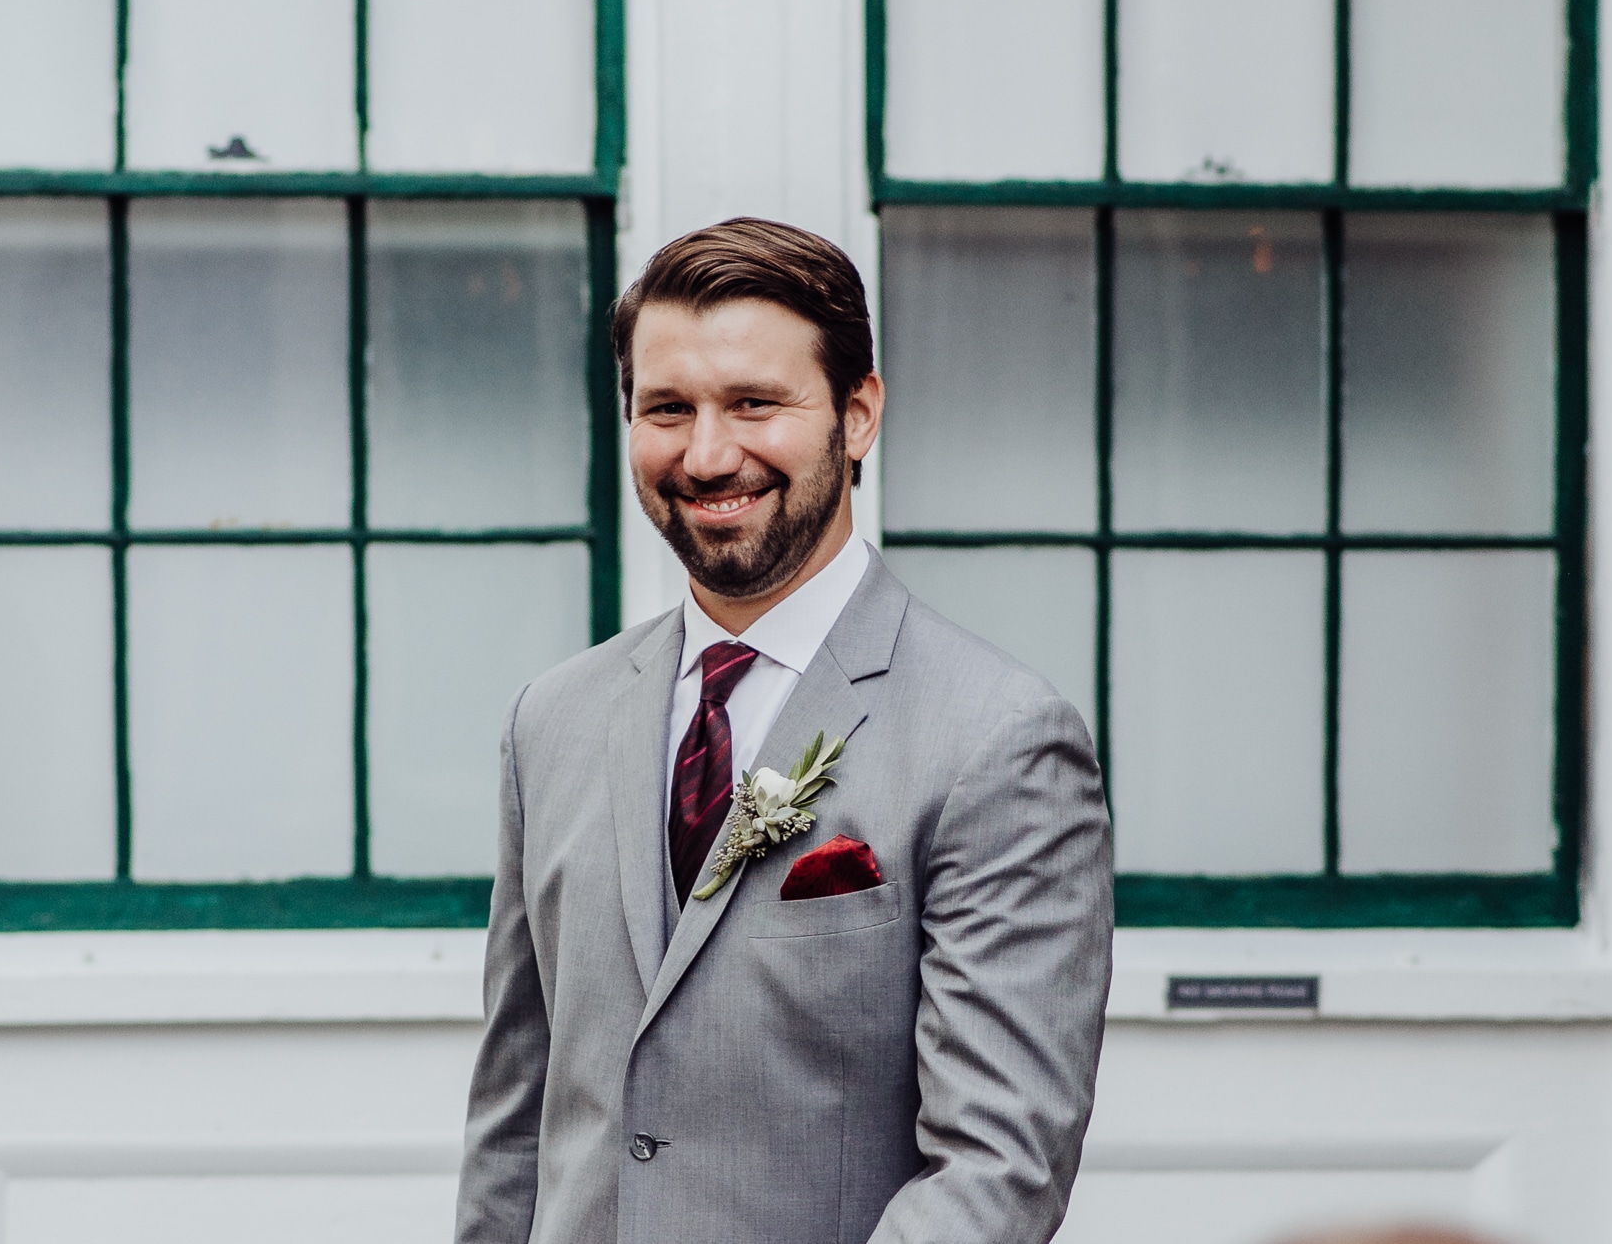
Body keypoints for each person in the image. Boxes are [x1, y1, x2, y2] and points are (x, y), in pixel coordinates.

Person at [453, 217, 1115, 1244]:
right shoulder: (551, 718)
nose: (708, 452)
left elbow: (996, 1169)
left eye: (754, 403)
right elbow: (513, 1114)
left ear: (855, 414)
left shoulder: (997, 738)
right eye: (667, 408)